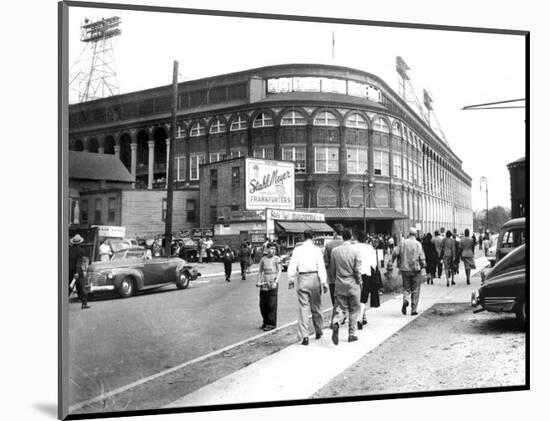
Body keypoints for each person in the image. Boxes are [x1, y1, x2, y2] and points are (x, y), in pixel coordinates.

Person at [287, 229, 328, 346]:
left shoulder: (297, 250)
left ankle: (305, 336)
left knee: (303, 308)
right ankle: (319, 330)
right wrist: (324, 282)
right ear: (313, 237)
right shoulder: (316, 250)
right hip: (315, 277)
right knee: (316, 306)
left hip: (302, 278)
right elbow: (321, 267)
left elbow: (292, 265)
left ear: (303, 237)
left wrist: (291, 279)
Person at [329, 229, 362, 345]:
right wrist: (359, 282)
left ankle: (336, 322)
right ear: (351, 237)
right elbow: (357, 270)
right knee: (354, 309)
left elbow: (332, 270)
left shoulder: (335, 251)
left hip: (340, 283)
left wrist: (336, 278)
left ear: (342, 237)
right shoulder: (355, 251)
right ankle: (351, 334)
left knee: (341, 307)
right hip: (353, 283)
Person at [391, 227, 426, 316]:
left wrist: (392, 260)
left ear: (408, 234)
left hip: (405, 268)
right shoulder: (418, 244)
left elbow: (395, 252)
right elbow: (421, 257)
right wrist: (423, 265)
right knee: (416, 289)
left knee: (406, 287)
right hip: (415, 269)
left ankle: (406, 299)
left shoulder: (403, 243)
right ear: (415, 235)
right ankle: (413, 309)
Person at [353, 230, 377, 330]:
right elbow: (374, 264)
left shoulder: (353, 247)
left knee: (356, 295)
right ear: (366, 239)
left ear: (357, 237)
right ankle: (360, 318)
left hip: (355, 273)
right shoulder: (369, 248)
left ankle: (359, 316)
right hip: (366, 273)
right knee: (364, 297)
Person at [256, 242, 282, 331]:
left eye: (274, 249)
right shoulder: (263, 259)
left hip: (272, 283)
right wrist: (258, 281)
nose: (273, 251)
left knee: (271, 304)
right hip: (264, 283)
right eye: (271, 248)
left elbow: (279, 271)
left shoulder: (276, 259)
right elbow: (260, 271)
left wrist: (276, 282)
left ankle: (271, 323)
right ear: (267, 249)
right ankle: (265, 322)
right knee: (263, 304)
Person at [323, 224, 345, 305]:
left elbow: (325, 262)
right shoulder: (348, 244)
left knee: (335, 302)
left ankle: (337, 315)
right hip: (346, 277)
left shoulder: (329, 245)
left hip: (333, 278)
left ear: (335, 233)